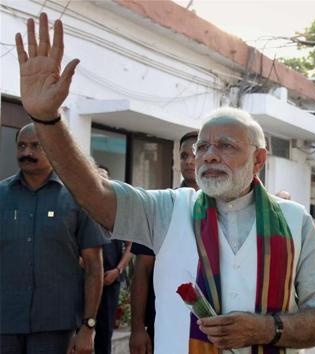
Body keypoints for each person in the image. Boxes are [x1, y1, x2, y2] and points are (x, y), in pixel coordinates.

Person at [15, 14, 315, 354]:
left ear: (259, 160)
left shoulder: (294, 220)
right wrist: (47, 119)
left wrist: (268, 328)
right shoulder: (170, 209)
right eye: (202, 147)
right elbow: (95, 194)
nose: (209, 156)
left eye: (226, 146)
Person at [0, 123, 108, 354]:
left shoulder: (78, 197)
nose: (26, 153)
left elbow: (94, 267)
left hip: (56, 326)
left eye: (35, 146)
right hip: (5, 323)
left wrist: (88, 327)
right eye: (21, 146)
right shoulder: (1, 196)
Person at [129, 131, 199, 354]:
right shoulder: (161, 206)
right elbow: (142, 269)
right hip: (162, 322)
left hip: (210, 326)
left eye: (195, 154)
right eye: (183, 156)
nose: (189, 161)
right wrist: (138, 328)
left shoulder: (226, 209)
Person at [95, 165, 132, 354]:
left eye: (104, 177)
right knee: (78, 330)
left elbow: (131, 245)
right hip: (85, 279)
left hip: (111, 279)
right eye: (97, 176)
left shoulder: (119, 210)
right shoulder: (83, 206)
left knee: (104, 331)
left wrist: (118, 270)